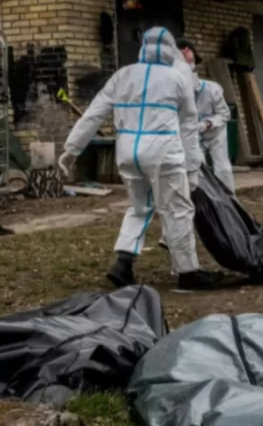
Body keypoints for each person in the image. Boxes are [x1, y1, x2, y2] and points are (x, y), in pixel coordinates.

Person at [56, 27, 225, 290]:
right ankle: (188, 272)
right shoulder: (177, 78)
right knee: (178, 209)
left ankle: (123, 264)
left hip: (128, 153)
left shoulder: (122, 75)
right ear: (171, 50)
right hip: (164, 153)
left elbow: (93, 114)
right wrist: (192, 164)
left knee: (138, 208)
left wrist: (72, 149)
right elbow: (189, 125)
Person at [178, 39, 234, 192]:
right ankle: (206, 200)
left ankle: (229, 198)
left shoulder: (211, 89)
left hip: (215, 134)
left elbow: (225, 114)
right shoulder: (176, 93)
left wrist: (208, 123)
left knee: (223, 168)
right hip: (193, 135)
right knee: (198, 166)